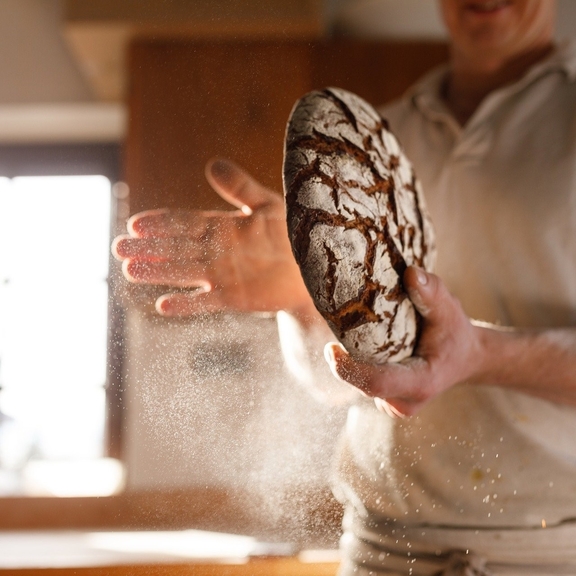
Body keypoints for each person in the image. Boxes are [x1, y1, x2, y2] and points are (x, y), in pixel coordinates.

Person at [113, 0, 576, 573]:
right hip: (378, 551)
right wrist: (304, 297)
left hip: (550, 553)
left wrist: (482, 354)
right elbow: (339, 384)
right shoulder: (366, 140)